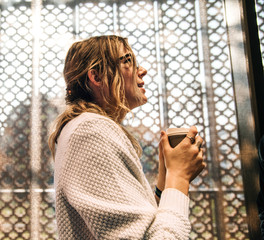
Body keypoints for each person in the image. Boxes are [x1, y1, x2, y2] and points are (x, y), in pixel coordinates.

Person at [48, 35, 205, 239]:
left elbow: (140, 225)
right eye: (128, 61)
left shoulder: (86, 127)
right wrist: (180, 177)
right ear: (96, 77)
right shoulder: (90, 131)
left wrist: (165, 178)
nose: (142, 70)